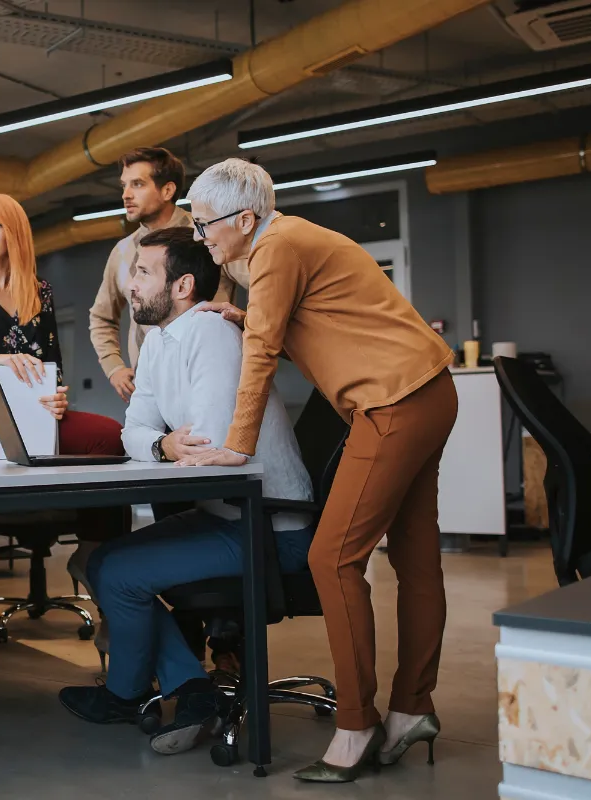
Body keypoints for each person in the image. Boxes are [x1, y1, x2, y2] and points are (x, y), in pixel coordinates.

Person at [177, 158, 457, 783]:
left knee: (331, 557)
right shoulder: (291, 241)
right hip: (429, 391)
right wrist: (246, 314)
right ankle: (412, 708)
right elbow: (314, 317)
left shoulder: (277, 247)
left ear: (245, 219)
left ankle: (357, 724)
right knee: (415, 559)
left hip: (392, 402)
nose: (202, 239)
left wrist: (236, 444)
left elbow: (263, 353)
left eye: (205, 226)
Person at [58, 226, 313, 756]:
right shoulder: (157, 343)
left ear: (183, 286)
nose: (130, 284)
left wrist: (166, 445)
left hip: (268, 525)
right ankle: (191, 688)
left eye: (143, 272)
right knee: (100, 561)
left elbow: (214, 448)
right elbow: (134, 431)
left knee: (118, 571)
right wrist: (162, 447)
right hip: (224, 514)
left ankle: (135, 695)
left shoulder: (211, 334)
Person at [0, 193, 130, 623]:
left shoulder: (40, 290)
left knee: (114, 435)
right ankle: (96, 555)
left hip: (40, 415)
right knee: (106, 437)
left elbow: (53, 365)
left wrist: (59, 396)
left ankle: (98, 554)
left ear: (15, 232)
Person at [89, 147, 239, 403]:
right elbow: (101, 317)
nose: (126, 194)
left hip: (207, 378)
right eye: (124, 185)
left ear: (167, 190)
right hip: (147, 389)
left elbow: (258, 282)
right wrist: (113, 367)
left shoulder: (208, 234)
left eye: (137, 184)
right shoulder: (122, 251)